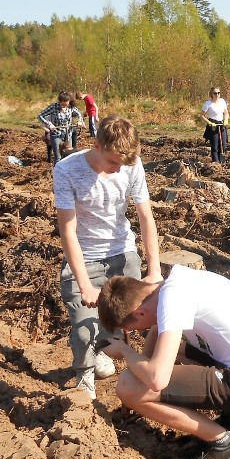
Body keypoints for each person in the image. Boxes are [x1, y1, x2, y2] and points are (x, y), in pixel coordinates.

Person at [97, 265, 230, 459]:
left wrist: (125, 351)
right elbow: (156, 339)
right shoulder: (174, 284)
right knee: (171, 352)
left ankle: (223, 442)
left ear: (139, 312)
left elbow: (158, 379)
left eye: (134, 329)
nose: (137, 332)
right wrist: (140, 368)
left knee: (127, 386)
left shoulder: (173, 300)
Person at [54, 114, 162, 399]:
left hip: (121, 253)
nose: (118, 170)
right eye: (113, 162)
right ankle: (84, 374)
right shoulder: (67, 170)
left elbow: (145, 216)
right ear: (96, 145)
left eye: (122, 164)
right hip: (85, 256)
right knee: (81, 329)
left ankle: (104, 348)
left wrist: (154, 268)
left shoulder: (131, 164)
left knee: (124, 321)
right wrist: (85, 284)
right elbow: (68, 230)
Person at [38, 91, 83, 165]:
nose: (64, 106)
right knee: (58, 157)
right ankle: (57, 173)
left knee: (69, 155)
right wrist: (49, 124)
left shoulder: (71, 107)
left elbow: (79, 114)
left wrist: (80, 121)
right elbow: (40, 116)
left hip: (68, 134)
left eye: (66, 104)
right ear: (59, 101)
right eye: (62, 104)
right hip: (56, 134)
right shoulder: (53, 107)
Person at [201, 86, 229, 163]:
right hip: (213, 125)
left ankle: (222, 162)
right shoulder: (208, 103)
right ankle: (216, 163)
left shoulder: (222, 101)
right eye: (215, 93)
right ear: (212, 94)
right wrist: (209, 122)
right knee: (215, 146)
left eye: (218, 93)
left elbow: (226, 113)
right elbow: (202, 116)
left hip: (221, 124)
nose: (217, 95)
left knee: (223, 145)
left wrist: (226, 120)